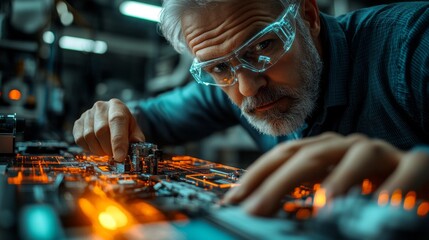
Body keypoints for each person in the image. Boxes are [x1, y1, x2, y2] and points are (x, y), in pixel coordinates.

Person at [73, 0, 429, 216]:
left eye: (263, 46)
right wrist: (112, 116)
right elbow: (148, 118)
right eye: (219, 68)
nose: (246, 88)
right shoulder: (228, 84)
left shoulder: (411, 45)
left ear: (308, 15)